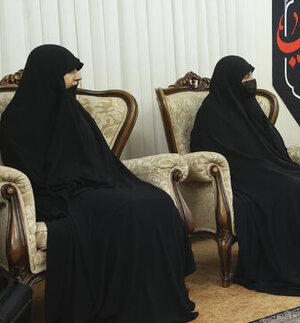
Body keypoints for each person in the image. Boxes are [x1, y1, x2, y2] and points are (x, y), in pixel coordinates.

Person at [0, 45, 197, 322]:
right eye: (70, 71)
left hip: (94, 184)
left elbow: (99, 158)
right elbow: (30, 170)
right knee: (128, 208)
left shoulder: (72, 109)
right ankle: (127, 302)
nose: (78, 77)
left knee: (157, 201)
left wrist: (99, 179)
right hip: (56, 194)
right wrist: (75, 181)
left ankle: (156, 296)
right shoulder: (16, 120)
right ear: (49, 74)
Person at [190, 55, 300, 296]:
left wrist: (275, 163)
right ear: (230, 81)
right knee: (289, 189)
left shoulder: (250, 105)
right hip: (243, 175)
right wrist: (260, 166)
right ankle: (292, 264)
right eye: (245, 77)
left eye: (251, 75)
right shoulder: (211, 114)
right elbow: (208, 152)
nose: (251, 81)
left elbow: (272, 142)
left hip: (269, 167)